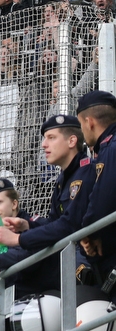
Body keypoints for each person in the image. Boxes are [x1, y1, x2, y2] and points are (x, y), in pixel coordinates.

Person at [0, 115, 94, 295]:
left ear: (72, 140)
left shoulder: (86, 171)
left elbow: (68, 225)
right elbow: (54, 223)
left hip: (87, 266)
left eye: (51, 137)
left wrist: (17, 239)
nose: (44, 145)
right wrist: (28, 226)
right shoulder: (62, 180)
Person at [73, 90, 116, 285]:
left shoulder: (110, 148)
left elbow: (103, 197)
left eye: (81, 125)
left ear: (89, 122)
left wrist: (89, 233)